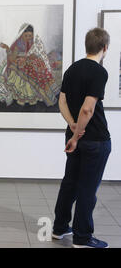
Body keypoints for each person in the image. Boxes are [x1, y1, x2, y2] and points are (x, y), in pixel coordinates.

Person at [52, 28, 111, 248]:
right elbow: (88, 109)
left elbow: (62, 102)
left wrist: (71, 125)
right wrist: (77, 135)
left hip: (74, 135)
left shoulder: (72, 69)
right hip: (94, 139)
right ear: (104, 48)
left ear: (87, 46)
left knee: (70, 183)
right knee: (88, 188)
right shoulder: (99, 72)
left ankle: (59, 228)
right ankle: (83, 237)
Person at [0, 24, 60, 107]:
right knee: (30, 68)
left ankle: (48, 91)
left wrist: (30, 58)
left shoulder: (31, 43)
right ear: (21, 34)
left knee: (39, 63)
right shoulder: (17, 45)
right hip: (18, 64)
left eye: (30, 36)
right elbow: (12, 59)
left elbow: (34, 54)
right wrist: (8, 49)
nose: (28, 38)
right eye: (26, 36)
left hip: (27, 61)